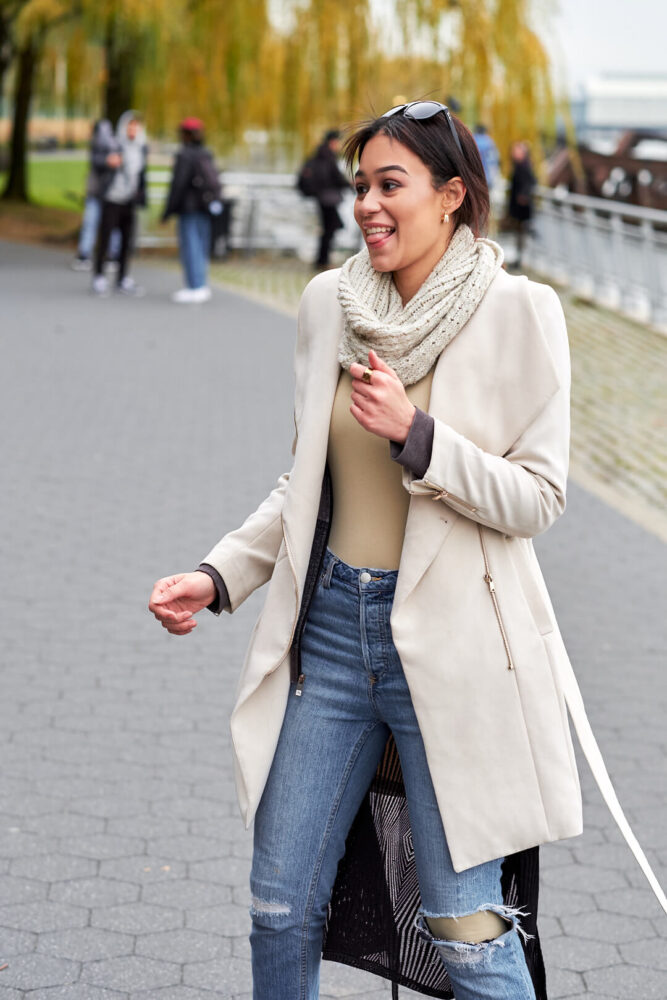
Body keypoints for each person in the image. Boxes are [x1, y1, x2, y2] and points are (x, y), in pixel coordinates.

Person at [149, 100, 666, 999]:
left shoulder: (519, 313)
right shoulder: (327, 305)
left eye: (391, 184)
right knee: (278, 906)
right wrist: (216, 574)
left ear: (452, 195)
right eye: (360, 187)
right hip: (334, 645)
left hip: (457, 655)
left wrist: (421, 439)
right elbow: (304, 484)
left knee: (464, 933)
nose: (368, 206)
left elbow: (538, 499)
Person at [162, 117, 222, 304]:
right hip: (205, 206)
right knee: (201, 246)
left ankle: (194, 286)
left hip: (189, 208)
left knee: (190, 247)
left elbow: (178, 185)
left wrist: (168, 211)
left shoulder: (184, 155)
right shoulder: (206, 153)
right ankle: (201, 284)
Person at [92, 111, 148, 297]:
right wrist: (108, 162)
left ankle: (122, 277)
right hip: (112, 197)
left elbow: (141, 174)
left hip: (129, 199)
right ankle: (99, 276)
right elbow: (96, 160)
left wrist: (141, 195)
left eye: (136, 125)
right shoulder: (113, 144)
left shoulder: (141, 147)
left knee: (127, 240)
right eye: (129, 125)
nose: (133, 129)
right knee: (105, 238)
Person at [71, 119, 120, 271]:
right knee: (91, 223)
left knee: (110, 226)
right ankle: (85, 254)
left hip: (108, 193)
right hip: (96, 192)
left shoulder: (114, 145)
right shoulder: (97, 146)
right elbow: (97, 163)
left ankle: (112, 255)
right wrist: (107, 161)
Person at [303, 128, 350, 269]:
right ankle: (322, 261)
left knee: (328, 229)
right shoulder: (328, 156)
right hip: (328, 199)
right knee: (330, 228)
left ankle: (322, 259)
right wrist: (350, 184)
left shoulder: (319, 155)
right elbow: (334, 177)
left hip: (322, 198)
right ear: (333, 141)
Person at [507, 140, 536, 269]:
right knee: (518, 233)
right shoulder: (518, 166)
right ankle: (519, 259)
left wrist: (523, 195)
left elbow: (531, 182)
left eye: (517, 150)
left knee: (522, 233)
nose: (514, 153)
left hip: (523, 207)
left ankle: (521, 259)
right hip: (518, 206)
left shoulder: (524, 166)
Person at [473, 122, 499, 189]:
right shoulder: (490, 141)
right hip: (489, 175)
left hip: (477, 174)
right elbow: (496, 158)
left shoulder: (474, 139)